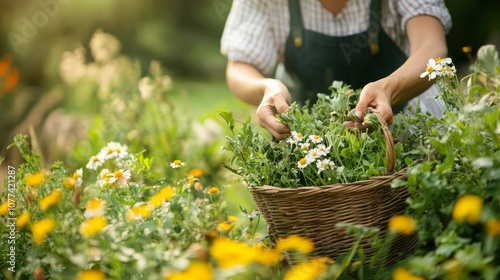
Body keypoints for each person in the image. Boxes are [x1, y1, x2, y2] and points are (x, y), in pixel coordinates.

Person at [220, 0, 452, 140]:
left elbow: (431, 46)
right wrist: (266, 88)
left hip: (409, 120)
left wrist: (389, 89)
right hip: (309, 140)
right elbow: (240, 66)